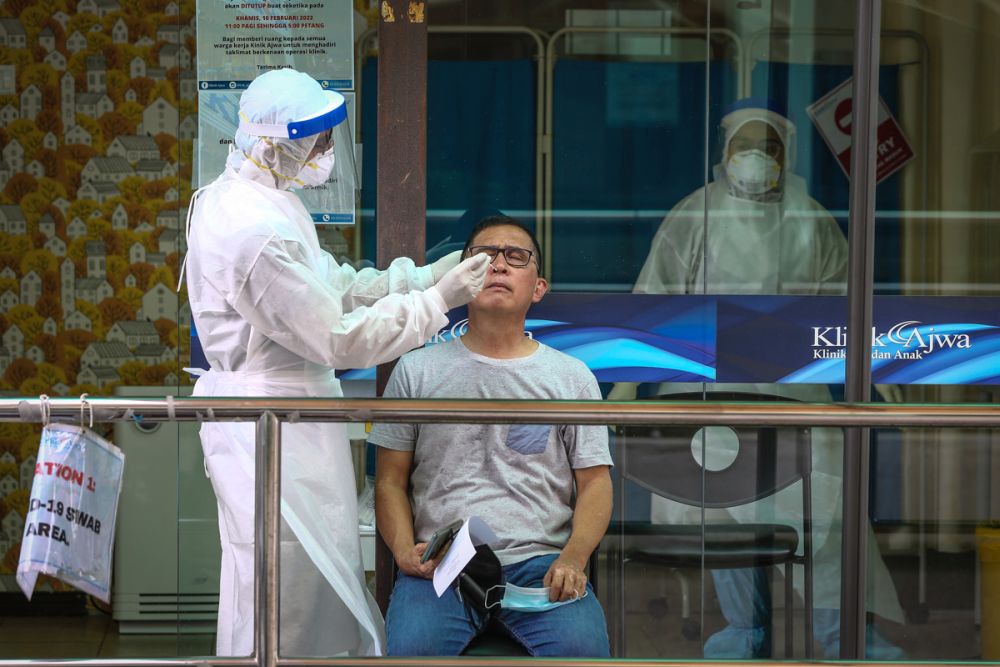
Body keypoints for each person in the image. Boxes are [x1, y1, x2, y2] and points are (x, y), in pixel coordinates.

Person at [182, 68, 492, 657]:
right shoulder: (249, 232)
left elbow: (331, 287)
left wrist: (421, 275)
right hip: (269, 427)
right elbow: (335, 337)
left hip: (295, 419)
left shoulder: (269, 200)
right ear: (277, 145)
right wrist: (436, 302)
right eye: (317, 141)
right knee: (284, 586)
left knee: (312, 576)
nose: (327, 153)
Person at [610, 100, 905, 659]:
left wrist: (876, 379)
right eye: (745, 146)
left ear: (785, 155)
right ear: (724, 154)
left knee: (825, 518)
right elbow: (651, 305)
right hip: (708, 400)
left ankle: (843, 638)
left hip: (798, 398)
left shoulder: (812, 219)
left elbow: (846, 311)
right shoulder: (694, 213)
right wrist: (622, 396)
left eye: (768, 148)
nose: (757, 157)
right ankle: (744, 634)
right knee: (728, 524)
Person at [369, 216, 614, 657]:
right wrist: (406, 551)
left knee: (585, 655)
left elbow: (595, 483)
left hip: (542, 562)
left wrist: (573, 558)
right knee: (413, 653)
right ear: (460, 279)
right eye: (483, 256)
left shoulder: (571, 378)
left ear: (538, 287)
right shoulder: (417, 370)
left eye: (515, 256)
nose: (498, 265)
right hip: (442, 562)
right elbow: (389, 480)